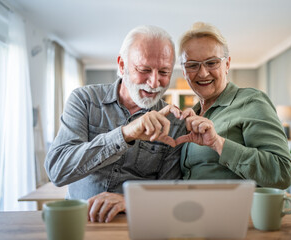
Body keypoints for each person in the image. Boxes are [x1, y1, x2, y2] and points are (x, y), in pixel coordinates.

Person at [45, 25, 186, 223]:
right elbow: (57, 171)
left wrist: (129, 201)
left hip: (138, 223)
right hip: (80, 223)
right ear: (121, 66)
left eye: (164, 72)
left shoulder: (174, 122)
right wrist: (125, 134)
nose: (155, 83)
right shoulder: (85, 100)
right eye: (144, 69)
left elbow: (169, 194)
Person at [175, 22, 291, 189]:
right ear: (184, 71)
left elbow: (282, 172)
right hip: (194, 212)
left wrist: (218, 143)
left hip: (236, 214)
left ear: (227, 64)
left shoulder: (251, 101)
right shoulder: (191, 116)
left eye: (211, 63)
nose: (202, 73)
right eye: (193, 65)